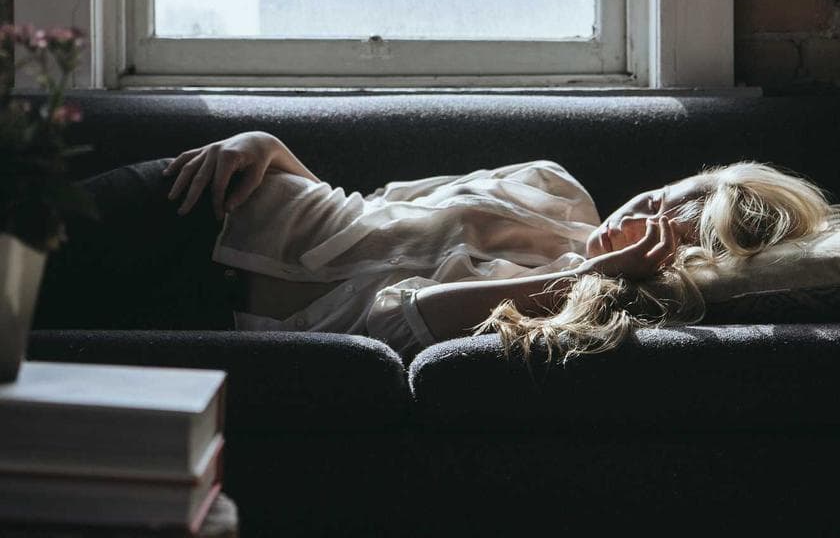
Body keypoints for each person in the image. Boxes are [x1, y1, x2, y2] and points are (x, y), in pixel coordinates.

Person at [157, 130, 834, 362]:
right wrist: (267, 148)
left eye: (662, 235)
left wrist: (599, 275)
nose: (639, 215)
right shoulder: (551, 184)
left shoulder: (575, 311)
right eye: (658, 196)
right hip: (210, 202)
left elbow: (396, 320)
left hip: (210, 321)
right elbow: (373, 206)